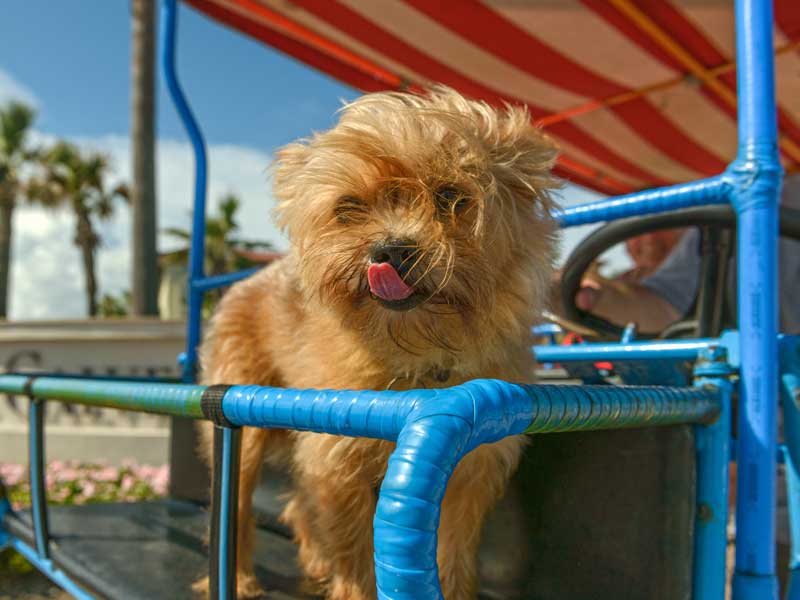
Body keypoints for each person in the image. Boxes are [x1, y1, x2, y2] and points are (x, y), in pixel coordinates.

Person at [574, 174, 800, 334]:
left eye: (662, 221)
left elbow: (663, 309)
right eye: (635, 227)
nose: (650, 238)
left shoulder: (716, 243)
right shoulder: (623, 280)